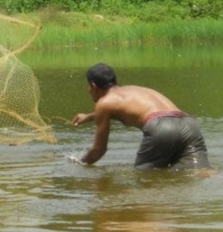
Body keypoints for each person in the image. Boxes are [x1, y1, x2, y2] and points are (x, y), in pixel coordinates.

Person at [70, 63, 210, 169]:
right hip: (189, 125)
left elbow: (99, 150)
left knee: (145, 180)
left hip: (161, 128)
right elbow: (146, 111)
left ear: (93, 86)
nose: (88, 90)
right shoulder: (133, 90)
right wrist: (89, 117)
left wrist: (79, 165)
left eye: (88, 86)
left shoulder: (104, 102)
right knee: (201, 173)